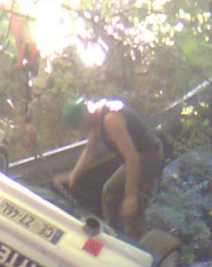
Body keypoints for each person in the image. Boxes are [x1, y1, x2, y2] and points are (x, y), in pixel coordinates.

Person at [62, 97, 164, 239]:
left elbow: (132, 157)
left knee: (132, 211)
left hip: (147, 157)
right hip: (134, 158)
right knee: (110, 192)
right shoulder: (95, 121)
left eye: (83, 126)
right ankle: (113, 234)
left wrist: (131, 195)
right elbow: (89, 151)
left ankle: (136, 242)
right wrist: (73, 175)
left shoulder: (110, 120)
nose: (84, 130)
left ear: (87, 117)